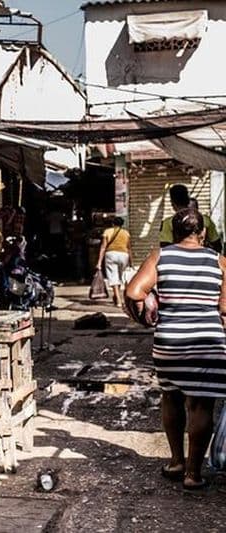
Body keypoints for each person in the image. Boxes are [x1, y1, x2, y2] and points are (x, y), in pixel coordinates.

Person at [125, 207, 226, 491]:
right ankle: (193, 474)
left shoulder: (162, 256)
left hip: (169, 341)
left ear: (175, 232)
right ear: (203, 233)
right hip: (207, 341)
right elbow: (225, 309)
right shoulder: (219, 261)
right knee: (201, 404)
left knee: (170, 396)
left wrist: (143, 316)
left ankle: (176, 462)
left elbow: (135, 291)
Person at [158, 183, 221, 252]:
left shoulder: (168, 223)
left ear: (172, 203)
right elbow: (217, 245)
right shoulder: (205, 220)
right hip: (202, 260)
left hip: (179, 261)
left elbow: (165, 247)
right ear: (188, 200)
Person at [95, 217, 132, 307]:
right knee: (119, 278)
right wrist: (131, 262)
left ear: (112, 223)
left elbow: (103, 247)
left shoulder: (107, 231)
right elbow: (129, 248)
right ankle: (117, 296)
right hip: (124, 255)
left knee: (113, 277)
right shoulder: (126, 233)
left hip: (111, 255)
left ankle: (119, 300)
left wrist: (99, 262)